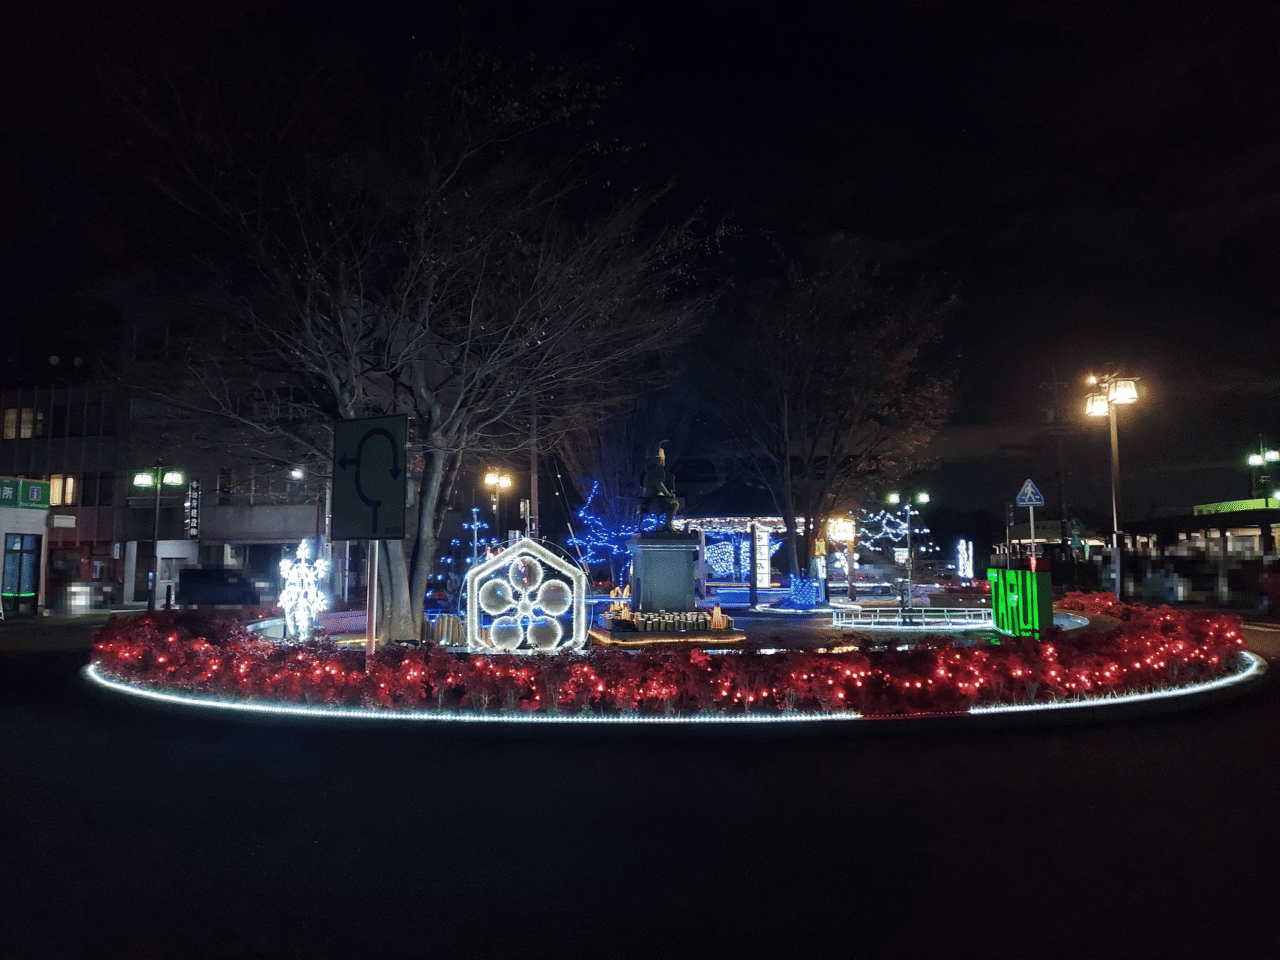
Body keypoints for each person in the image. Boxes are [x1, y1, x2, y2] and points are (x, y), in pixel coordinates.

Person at [641, 442, 680, 531]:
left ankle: (668, 525)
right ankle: (667, 525)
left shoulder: (649, 470)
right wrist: (668, 495)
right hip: (653, 500)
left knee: (670, 502)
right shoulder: (657, 469)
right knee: (674, 504)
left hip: (651, 498)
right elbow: (659, 485)